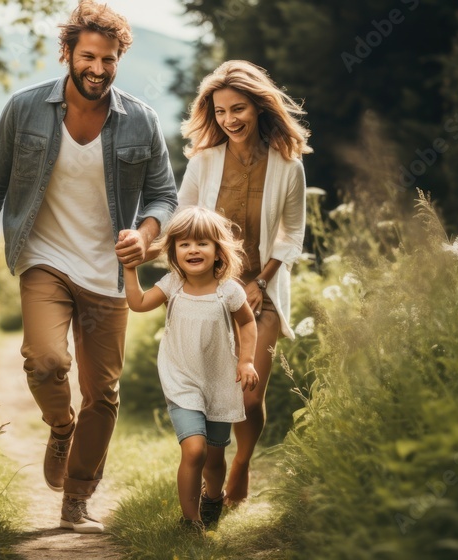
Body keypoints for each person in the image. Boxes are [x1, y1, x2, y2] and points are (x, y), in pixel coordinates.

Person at [0, 0, 177, 534]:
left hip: (110, 272)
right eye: (88, 57)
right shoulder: (25, 109)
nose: (98, 69)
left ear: (119, 58)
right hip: (44, 258)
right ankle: (61, 427)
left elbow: (164, 197)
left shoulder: (142, 121)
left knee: (103, 392)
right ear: (67, 53)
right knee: (43, 360)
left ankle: (77, 500)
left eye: (108, 60)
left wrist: (146, 235)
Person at [178, 60, 311, 505]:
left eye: (238, 109)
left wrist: (262, 281)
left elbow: (293, 234)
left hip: (264, 292)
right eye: (219, 112)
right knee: (216, 397)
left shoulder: (288, 166)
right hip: (210, 292)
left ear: (259, 106)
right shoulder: (204, 161)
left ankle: (242, 463)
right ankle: (211, 476)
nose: (229, 120)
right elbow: (182, 223)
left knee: (249, 397)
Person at [121, 206, 259, 532]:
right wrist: (129, 269)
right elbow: (138, 303)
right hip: (181, 378)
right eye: (184, 244)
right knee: (194, 450)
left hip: (220, 382)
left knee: (213, 458)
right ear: (173, 252)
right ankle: (191, 522)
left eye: (202, 243)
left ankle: (213, 497)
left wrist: (246, 360)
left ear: (217, 251)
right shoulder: (172, 285)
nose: (193, 249)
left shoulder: (229, 290)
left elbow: (248, 324)